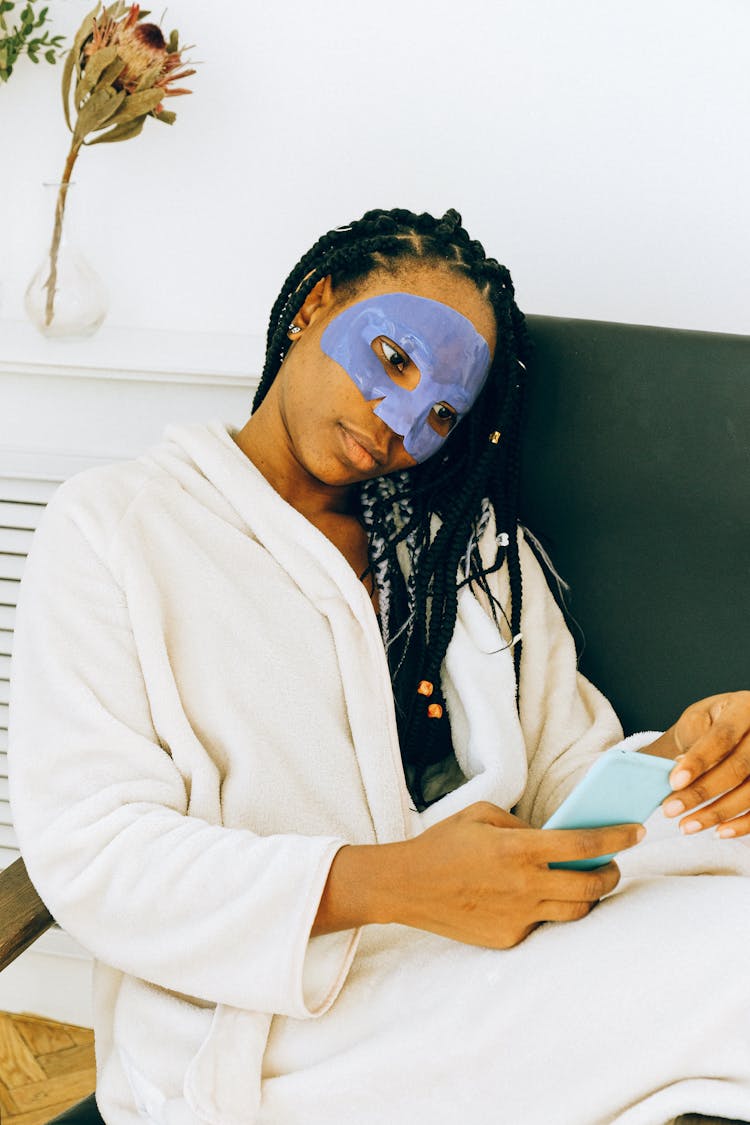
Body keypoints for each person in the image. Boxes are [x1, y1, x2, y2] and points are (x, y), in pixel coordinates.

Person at [8, 207, 750, 1125]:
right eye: (395, 360)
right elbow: (95, 852)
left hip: (493, 962)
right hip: (276, 1033)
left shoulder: (464, 552)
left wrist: (683, 755)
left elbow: (566, 775)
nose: (402, 420)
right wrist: (395, 882)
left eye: (441, 410)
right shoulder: (116, 528)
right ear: (314, 306)